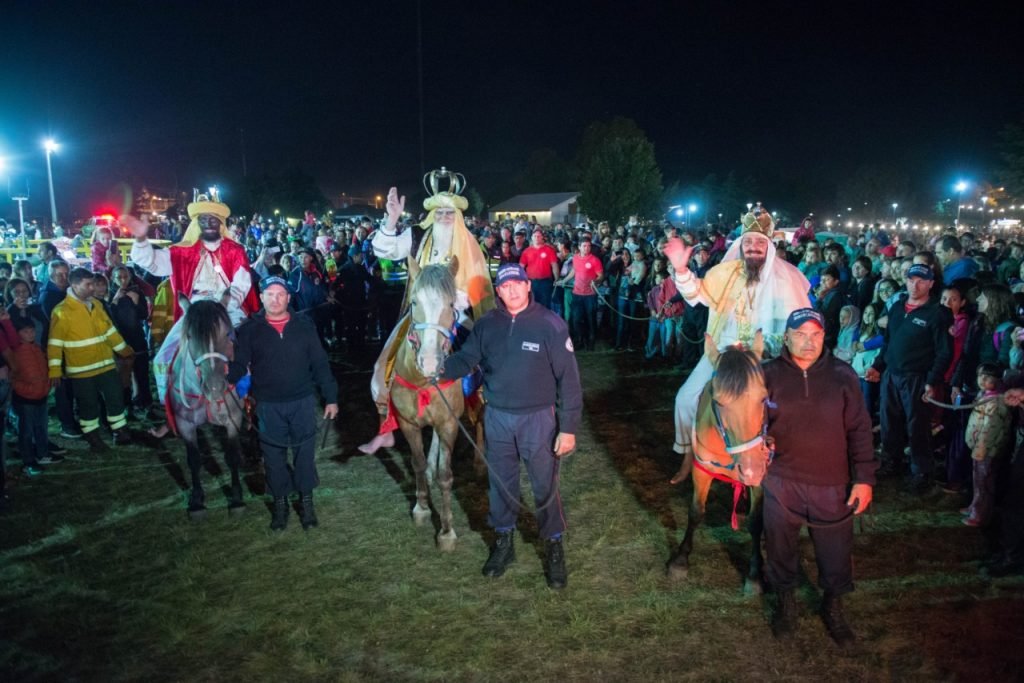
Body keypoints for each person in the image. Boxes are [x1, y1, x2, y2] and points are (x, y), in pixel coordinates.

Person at [436, 263, 582, 589]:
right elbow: (466, 359)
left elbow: (569, 381)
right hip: (498, 418)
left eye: (518, 283)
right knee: (501, 483)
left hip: (539, 419)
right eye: (505, 286)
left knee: (545, 485)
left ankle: (554, 545)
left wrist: (568, 427)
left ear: (528, 286)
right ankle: (504, 543)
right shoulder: (487, 324)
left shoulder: (550, 324)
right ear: (498, 291)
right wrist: (440, 369)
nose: (512, 290)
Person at [762, 308, 876, 648]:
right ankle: (786, 604)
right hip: (782, 481)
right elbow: (752, 421)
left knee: (835, 551)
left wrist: (864, 478)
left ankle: (833, 605)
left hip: (831, 483)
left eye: (815, 335)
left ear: (825, 337)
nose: (808, 342)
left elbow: (859, 429)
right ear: (786, 337)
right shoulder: (767, 375)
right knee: (780, 547)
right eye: (800, 334)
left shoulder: (843, 376)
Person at [359, 171, 495, 455]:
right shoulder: (418, 235)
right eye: (440, 212)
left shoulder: (469, 244)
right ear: (432, 214)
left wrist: (454, 300)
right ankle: (386, 427)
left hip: (454, 313)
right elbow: (384, 248)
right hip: (419, 316)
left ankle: (488, 411)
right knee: (381, 367)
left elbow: (477, 285)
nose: (445, 217)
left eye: (450, 212)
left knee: (488, 361)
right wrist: (392, 219)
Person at [664, 206, 811, 460]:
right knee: (685, 399)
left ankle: (774, 463)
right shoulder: (725, 273)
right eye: (748, 241)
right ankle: (692, 456)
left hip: (766, 359)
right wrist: (681, 271)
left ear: (768, 246)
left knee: (783, 409)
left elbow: (799, 326)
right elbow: (697, 295)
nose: (753, 246)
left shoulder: (787, 279)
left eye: (759, 242)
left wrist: (768, 347)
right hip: (722, 353)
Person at [125, 191, 259, 435]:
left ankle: (248, 406)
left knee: (250, 354)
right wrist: (142, 239)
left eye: (213, 219)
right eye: (204, 219)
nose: (209, 223)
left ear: (221, 223)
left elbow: (242, 283)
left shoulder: (235, 250)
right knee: (162, 359)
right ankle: (174, 413)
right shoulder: (181, 252)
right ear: (196, 223)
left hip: (227, 308)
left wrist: (223, 307)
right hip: (194, 311)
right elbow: (151, 262)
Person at [228, 276, 339, 531]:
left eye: (280, 294)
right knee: (273, 458)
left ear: (288, 298)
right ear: (262, 297)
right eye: (270, 294)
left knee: (304, 456)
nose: (275, 299)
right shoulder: (248, 330)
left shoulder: (304, 326)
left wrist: (331, 398)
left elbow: (320, 364)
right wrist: (224, 380)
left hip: (302, 401)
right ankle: (280, 507)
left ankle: (307, 504)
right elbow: (239, 365)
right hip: (267, 405)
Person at [865, 264, 953, 493]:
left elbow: (944, 351)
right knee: (889, 421)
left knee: (918, 426)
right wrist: (878, 365)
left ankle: (921, 471)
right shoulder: (896, 308)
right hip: (892, 374)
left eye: (922, 281)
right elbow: (889, 342)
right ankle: (891, 461)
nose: (916, 285)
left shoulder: (936, 313)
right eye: (912, 279)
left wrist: (932, 381)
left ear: (931, 284)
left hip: (917, 378)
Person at [47, 268, 135, 450]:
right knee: (88, 405)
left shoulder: (96, 304)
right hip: (81, 369)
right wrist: (54, 370)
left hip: (106, 364)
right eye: (88, 284)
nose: (92, 288)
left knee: (115, 397)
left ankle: (119, 431)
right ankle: (93, 437)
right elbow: (55, 344)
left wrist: (124, 350)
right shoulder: (61, 311)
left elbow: (109, 331)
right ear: (74, 285)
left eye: (93, 283)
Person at [961, 363, 1012, 527]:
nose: (982, 380)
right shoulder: (983, 395)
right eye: (980, 376)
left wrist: (981, 449)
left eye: (987, 377)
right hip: (979, 448)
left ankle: (980, 514)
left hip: (986, 450)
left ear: (997, 380)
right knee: (977, 478)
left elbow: (990, 429)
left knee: (984, 481)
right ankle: (974, 506)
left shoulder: (997, 402)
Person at [11, 315, 54, 473]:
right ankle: (28, 460)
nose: (30, 334)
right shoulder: (15, 352)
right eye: (26, 331)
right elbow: (13, 377)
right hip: (25, 398)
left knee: (41, 427)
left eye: (32, 331)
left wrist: (46, 385)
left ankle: (42, 453)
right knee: (26, 431)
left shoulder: (37, 348)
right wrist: (23, 388)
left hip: (40, 395)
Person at [518, 227, 559, 310]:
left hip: (545, 282)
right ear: (532, 238)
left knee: (545, 305)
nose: (537, 238)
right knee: (531, 304)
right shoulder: (526, 251)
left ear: (542, 238)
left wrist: (556, 279)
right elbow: (521, 267)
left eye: (539, 236)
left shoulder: (549, 250)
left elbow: (554, 266)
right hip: (531, 282)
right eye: (535, 236)